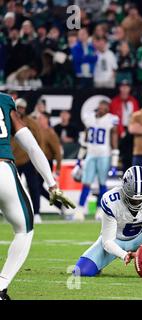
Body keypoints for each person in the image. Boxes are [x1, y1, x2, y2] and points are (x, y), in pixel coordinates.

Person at [0, 92, 74, 300]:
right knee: (24, 229)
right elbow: (32, 146)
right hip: (2, 170)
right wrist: (52, 185)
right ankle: (1, 285)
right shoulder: (5, 102)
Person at [73, 166, 142, 278]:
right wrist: (124, 254)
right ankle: (99, 265)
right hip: (116, 241)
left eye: (141, 199)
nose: (137, 202)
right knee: (81, 271)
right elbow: (107, 242)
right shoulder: (111, 200)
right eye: (133, 199)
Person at [73, 100, 119, 221]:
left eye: (103, 108)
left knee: (102, 183)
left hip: (104, 155)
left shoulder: (111, 119)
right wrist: (80, 157)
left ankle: (100, 209)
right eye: (99, 107)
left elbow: (114, 140)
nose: (100, 110)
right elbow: (85, 139)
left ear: (107, 110)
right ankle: (80, 209)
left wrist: (114, 162)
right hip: (91, 153)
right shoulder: (89, 118)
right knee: (86, 182)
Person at [11, 98, 44, 223]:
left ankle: (36, 213)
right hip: (13, 159)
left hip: (28, 160)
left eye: (22, 108)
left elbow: (39, 140)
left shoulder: (30, 122)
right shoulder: (8, 120)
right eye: (18, 107)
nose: (20, 110)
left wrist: (37, 157)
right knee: (13, 189)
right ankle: (15, 213)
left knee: (34, 187)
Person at [109, 79, 140, 172]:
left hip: (130, 128)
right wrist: (121, 131)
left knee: (131, 152)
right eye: (122, 87)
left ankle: (130, 172)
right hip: (119, 129)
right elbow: (114, 117)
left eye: (126, 87)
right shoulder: (115, 101)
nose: (124, 89)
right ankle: (119, 169)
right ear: (119, 88)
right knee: (121, 151)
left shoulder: (133, 101)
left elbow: (137, 115)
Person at [37, 112, 63, 213]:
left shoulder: (50, 133)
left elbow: (57, 151)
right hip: (38, 162)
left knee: (37, 187)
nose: (39, 120)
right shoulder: (38, 131)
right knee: (36, 187)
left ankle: (58, 205)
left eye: (41, 118)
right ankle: (59, 205)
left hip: (47, 162)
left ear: (46, 119)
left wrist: (58, 168)